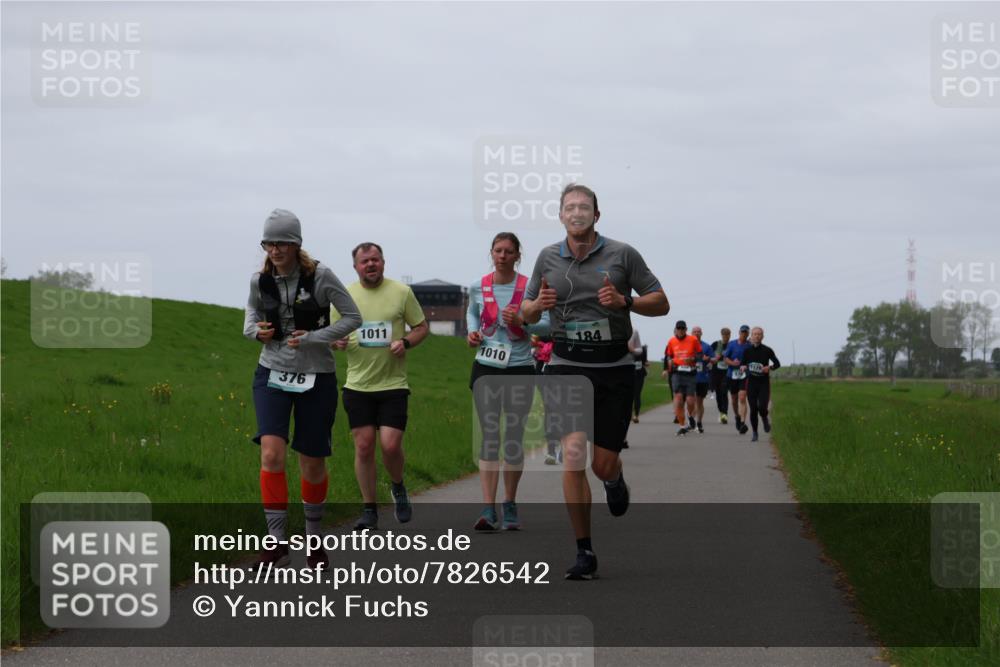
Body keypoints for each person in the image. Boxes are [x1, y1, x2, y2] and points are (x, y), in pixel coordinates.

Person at [521, 183, 669, 580]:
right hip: (566, 365)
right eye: (570, 207)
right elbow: (525, 313)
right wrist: (536, 307)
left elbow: (661, 302)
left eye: (584, 206)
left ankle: (614, 479)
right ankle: (584, 550)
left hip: (614, 367)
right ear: (561, 215)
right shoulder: (547, 257)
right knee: (573, 455)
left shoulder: (623, 254)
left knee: (602, 464)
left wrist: (626, 301)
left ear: (596, 215)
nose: (577, 212)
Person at [244, 209, 361, 570]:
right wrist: (257, 333)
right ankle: (276, 543)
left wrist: (314, 338)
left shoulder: (321, 276)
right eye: (269, 243)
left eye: (282, 243)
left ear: (296, 244)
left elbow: (353, 317)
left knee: (311, 462)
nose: (275, 250)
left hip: (316, 376)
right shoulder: (260, 280)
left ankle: (314, 540)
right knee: (271, 454)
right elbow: (249, 319)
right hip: (271, 373)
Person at [331, 242, 429, 530]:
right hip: (358, 385)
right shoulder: (344, 297)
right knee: (363, 447)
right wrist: (336, 342)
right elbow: (332, 335)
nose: (371, 264)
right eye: (365, 261)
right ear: (356, 267)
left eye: (375, 259)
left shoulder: (401, 292)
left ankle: (398, 486)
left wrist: (406, 342)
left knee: (390, 445)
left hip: (392, 384)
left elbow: (422, 327)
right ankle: (369, 510)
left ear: (383, 262)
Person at [467, 233, 550, 530]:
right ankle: (488, 509)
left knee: (513, 438)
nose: (502, 256)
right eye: (498, 251)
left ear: (518, 255)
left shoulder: (529, 288)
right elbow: (472, 313)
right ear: (491, 253)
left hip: (518, 367)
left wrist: (522, 322)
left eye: (508, 251)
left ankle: (510, 502)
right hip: (486, 367)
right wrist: (472, 332)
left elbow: (547, 325)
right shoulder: (478, 286)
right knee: (490, 436)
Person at [742, 326, 781, 442]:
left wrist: (769, 368)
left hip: (763, 383)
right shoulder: (747, 351)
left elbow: (777, 364)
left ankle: (764, 418)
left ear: (762, 336)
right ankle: (755, 433)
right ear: (751, 336)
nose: (757, 336)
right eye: (755, 334)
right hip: (751, 383)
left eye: (759, 334)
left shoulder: (767, 350)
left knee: (762, 408)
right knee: (753, 409)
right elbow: (743, 364)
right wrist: (743, 367)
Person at [663, 321, 702, 436]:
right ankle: (682, 426)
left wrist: (692, 359)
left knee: (690, 401)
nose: (680, 331)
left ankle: (690, 415)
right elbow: (668, 355)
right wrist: (668, 364)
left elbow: (700, 354)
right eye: (678, 329)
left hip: (690, 373)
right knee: (679, 399)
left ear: (686, 329)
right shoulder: (671, 341)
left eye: (682, 329)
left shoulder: (693, 340)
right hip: (677, 373)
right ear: (676, 329)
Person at [724, 324, 752, 434]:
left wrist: (746, 365)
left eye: (746, 332)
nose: (744, 334)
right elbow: (725, 359)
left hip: (744, 375)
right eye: (742, 332)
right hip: (732, 375)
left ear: (748, 334)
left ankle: (742, 422)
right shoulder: (732, 344)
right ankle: (737, 416)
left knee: (742, 397)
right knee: (734, 399)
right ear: (739, 333)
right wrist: (733, 363)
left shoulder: (750, 346)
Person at [691, 325, 714, 434]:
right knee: (692, 401)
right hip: (690, 377)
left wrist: (708, 358)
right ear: (691, 333)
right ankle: (691, 421)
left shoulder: (706, 346)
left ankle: (699, 422)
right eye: (695, 332)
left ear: (701, 333)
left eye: (698, 331)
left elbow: (714, 359)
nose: (696, 333)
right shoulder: (688, 345)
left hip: (702, 378)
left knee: (699, 402)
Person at [709, 327, 732, 424]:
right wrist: (712, 359)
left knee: (724, 391)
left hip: (727, 372)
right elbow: (709, 355)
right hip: (716, 372)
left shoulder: (732, 345)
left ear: (730, 335)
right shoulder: (716, 344)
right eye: (724, 334)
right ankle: (721, 412)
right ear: (721, 335)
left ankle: (725, 414)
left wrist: (724, 358)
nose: (726, 336)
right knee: (718, 393)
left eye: (728, 334)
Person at [627, 329, 647, 423]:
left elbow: (644, 361)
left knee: (637, 394)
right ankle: (629, 414)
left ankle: (636, 415)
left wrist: (645, 363)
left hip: (639, 374)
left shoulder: (642, 349)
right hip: (628, 374)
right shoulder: (625, 348)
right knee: (628, 395)